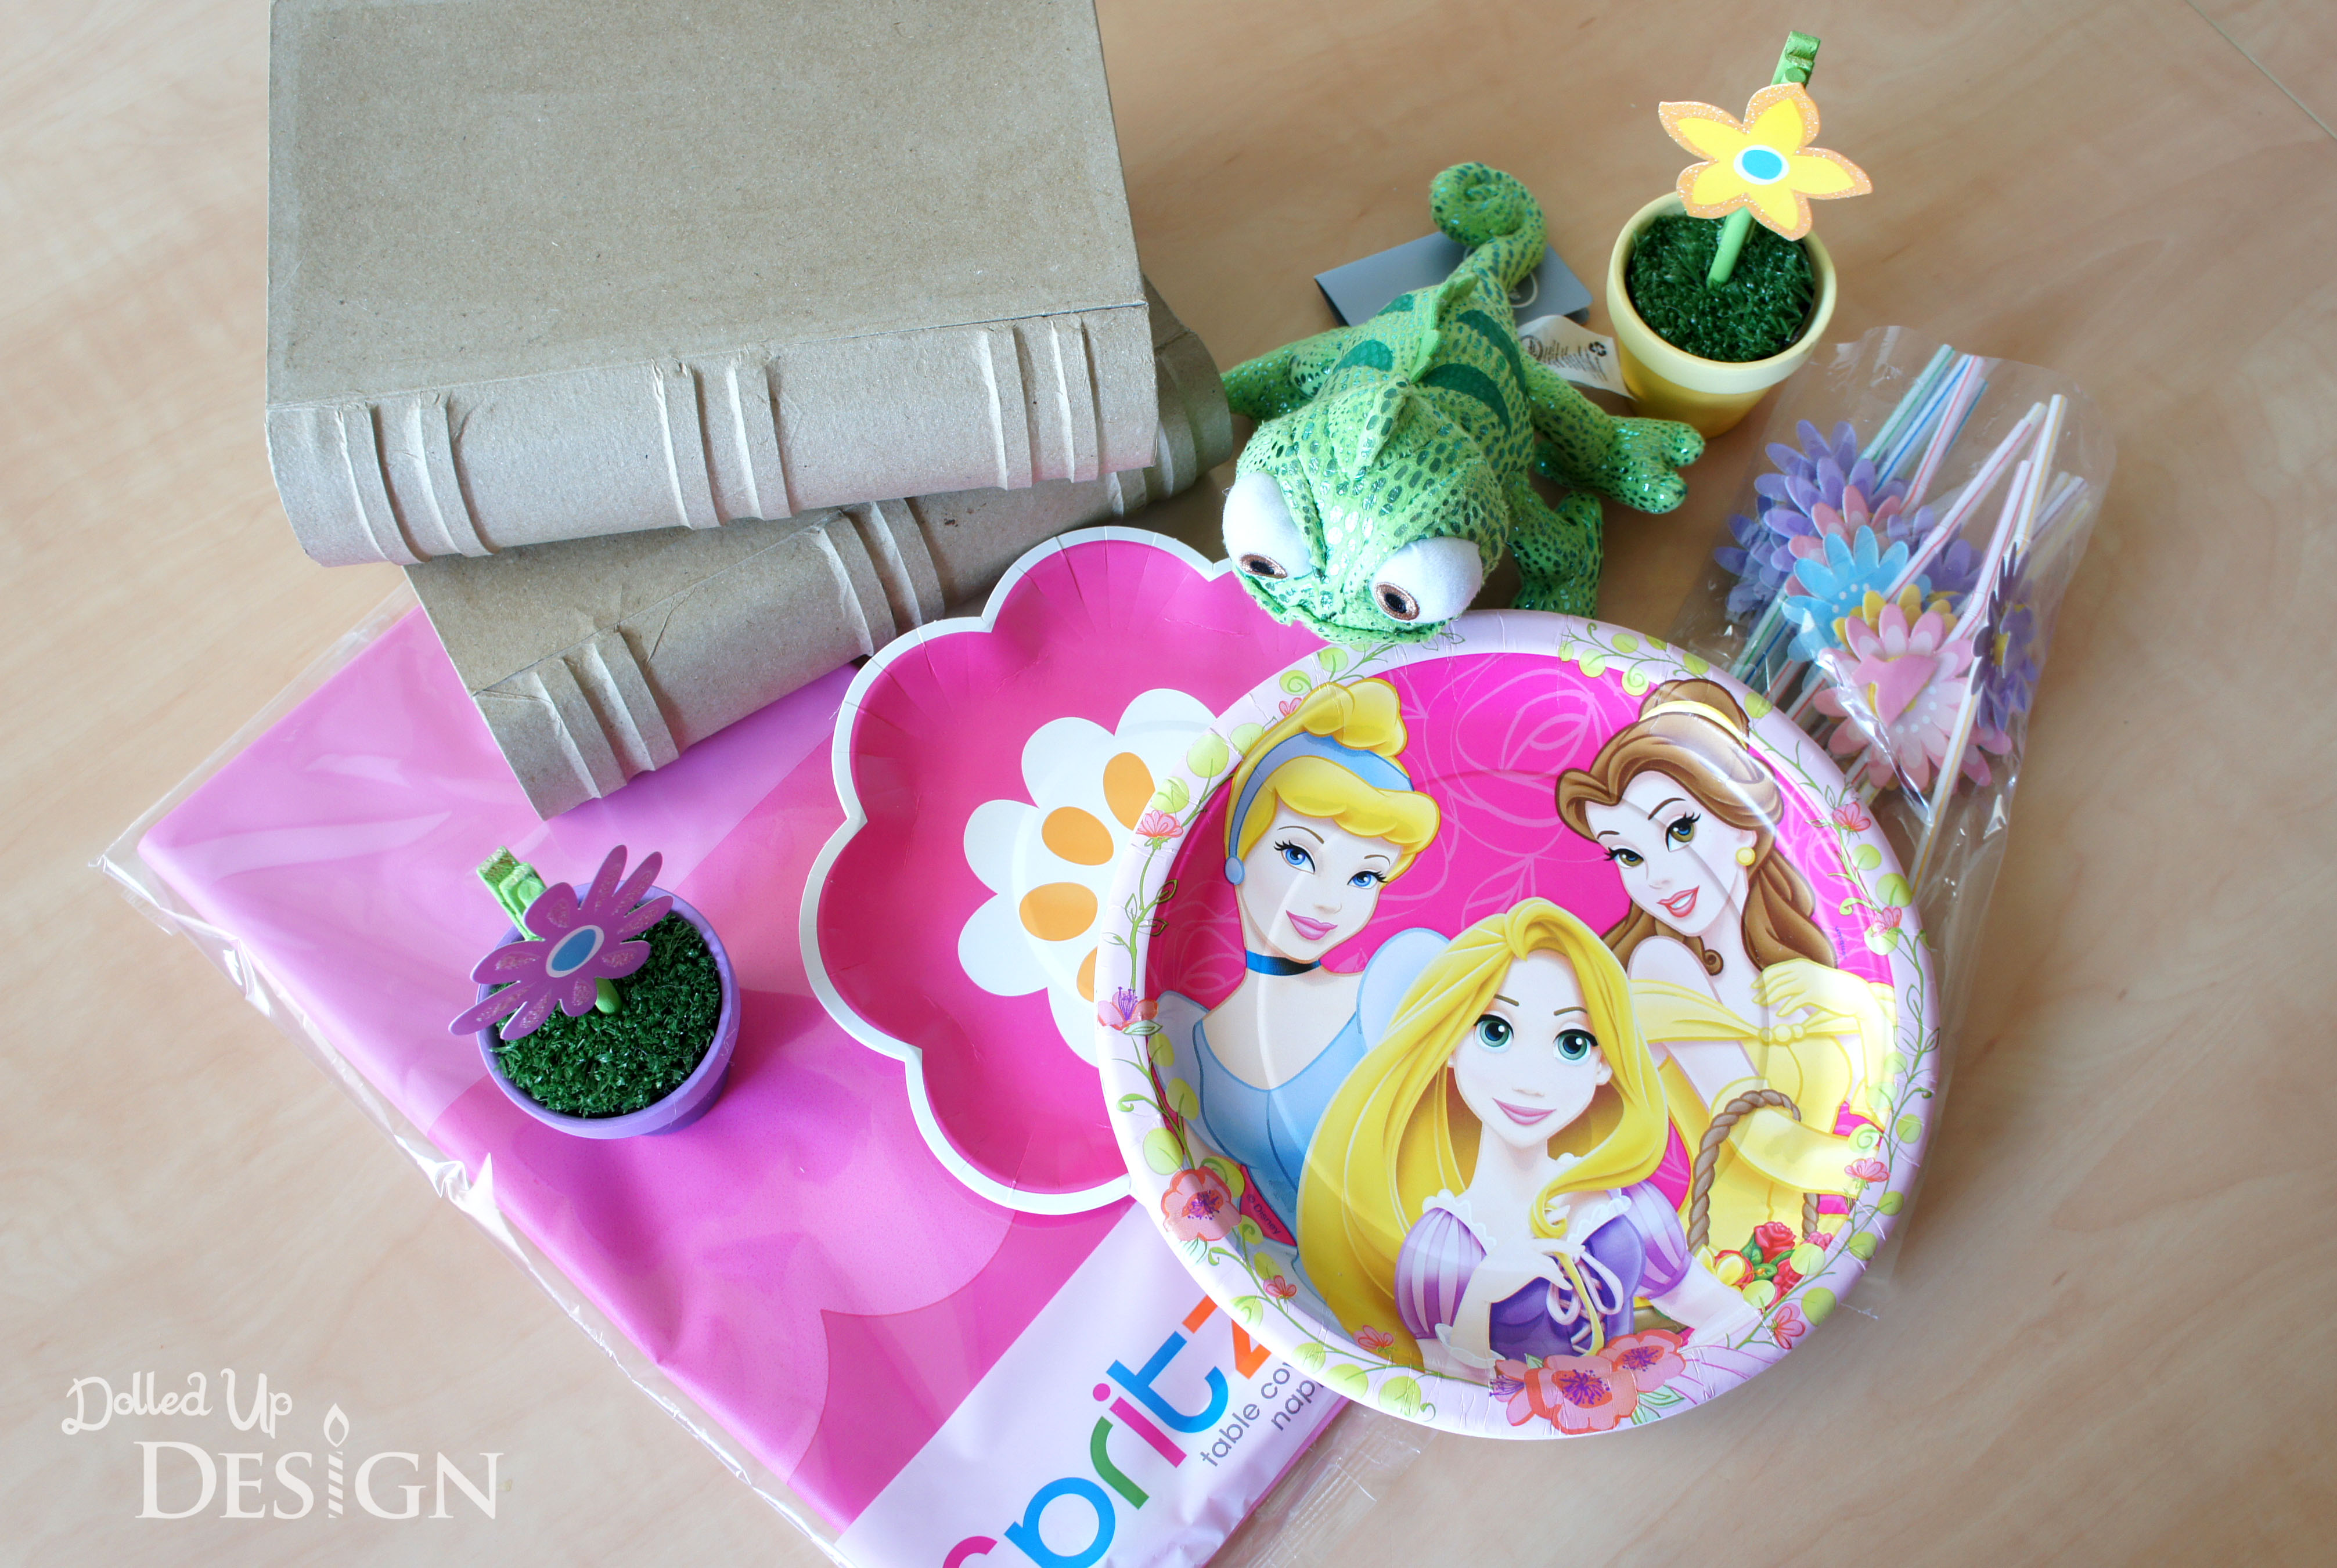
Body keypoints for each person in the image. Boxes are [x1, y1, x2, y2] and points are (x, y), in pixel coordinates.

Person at [1297, 900, 1757, 1375]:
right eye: (1495, 1031)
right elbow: (1440, 1390)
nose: (1530, 1080)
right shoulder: (1442, 1244)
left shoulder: (1622, 1206)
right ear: (1449, 1042)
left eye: (1572, 1043)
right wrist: (1481, 1295)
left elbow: (1731, 1318)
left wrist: (1670, 1383)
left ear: (1605, 1061)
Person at [1554, 679, 1895, 1263]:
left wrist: (1859, 1005)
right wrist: (1881, 1168)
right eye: (1628, 855)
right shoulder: (1658, 967)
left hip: (1828, 1246)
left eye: (1679, 830)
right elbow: (1759, 1139)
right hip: (1737, 1263)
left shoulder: (1810, 969)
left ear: (1743, 822)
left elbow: (1881, 1094)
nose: (1657, 876)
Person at [1155, 678, 1443, 1240]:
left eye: (1365, 877)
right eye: (1297, 853)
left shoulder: (1388, 993)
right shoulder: (1189, 1039)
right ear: (1238, 850)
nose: (1329, 900)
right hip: (1294, 1283)